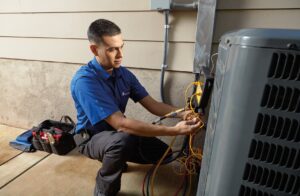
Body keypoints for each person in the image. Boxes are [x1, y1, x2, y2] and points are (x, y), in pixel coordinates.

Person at [70, 19, 201, 196]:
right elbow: (121, 124)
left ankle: (117, 157)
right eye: (111, 49)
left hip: (117, 133)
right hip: (92, 138)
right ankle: (103, 190)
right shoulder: (85, 81)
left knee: (165, 154)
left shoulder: (124, 74)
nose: (119, 54)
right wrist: (174, 131)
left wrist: (182, 114)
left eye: (121, 46)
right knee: (121, 142)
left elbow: (153, 105)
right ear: (94, 49)